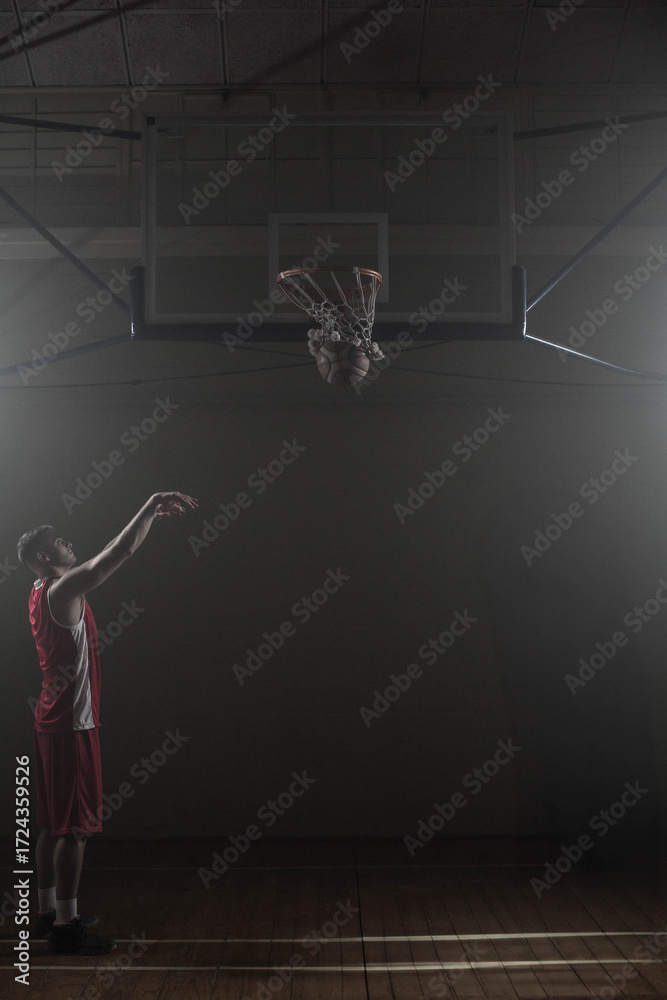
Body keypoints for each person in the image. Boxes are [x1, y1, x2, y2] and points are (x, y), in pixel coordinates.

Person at [17, 491, 198, 955]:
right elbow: (118, 552)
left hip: (48, 719)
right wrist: (151, 505)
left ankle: (44, 912)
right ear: (44, 557)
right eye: (60, 541)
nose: (68, 543)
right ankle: (66, 925)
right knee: (75, 829)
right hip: (72, 725)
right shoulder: (61, 588)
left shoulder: (38, 592)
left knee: (50, 824)